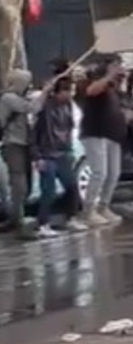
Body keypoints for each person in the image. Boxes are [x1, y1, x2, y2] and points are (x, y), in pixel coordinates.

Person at [0, 69, 55, 239]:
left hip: (25, 145)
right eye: (26, 82)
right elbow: (33, 108)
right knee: (20, 186)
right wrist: (45, 91)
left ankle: (15, 219)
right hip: (13, 145)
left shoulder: (17, 97)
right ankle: (19, 225)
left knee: (27, 186)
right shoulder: (8, 98)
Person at [32, 74, 88, 237]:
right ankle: (43, 224)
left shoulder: (68, 106)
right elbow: (34, 132)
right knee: (48, 191)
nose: (71, 94)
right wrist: (37, 156)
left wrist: (69, 149)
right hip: (47, 153)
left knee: (71, 187)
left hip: (63, 152)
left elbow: (69, 128)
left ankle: (70, 218)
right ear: (59, 92)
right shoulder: (45, 107)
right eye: (69, 91)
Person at [77, 55, 128, 226]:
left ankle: (103, 206)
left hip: (112, 134)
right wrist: (109, 76)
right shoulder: (96, 83)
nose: (119, 68)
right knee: (100, 172)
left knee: (114, 173)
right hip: (95, 133)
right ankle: (88, 211)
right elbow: (91, 91)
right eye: (116, 65)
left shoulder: (113, 87)